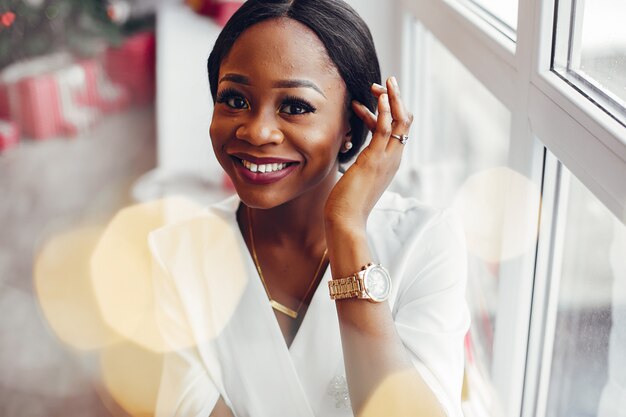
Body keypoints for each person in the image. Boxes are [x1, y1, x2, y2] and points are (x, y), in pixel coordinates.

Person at [150, 0, 470, 416]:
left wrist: (346, 228)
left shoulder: (426, 244)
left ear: (352, 129)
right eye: (234, 99)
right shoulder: (179, 253)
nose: (257, 131)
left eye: (296, 107)